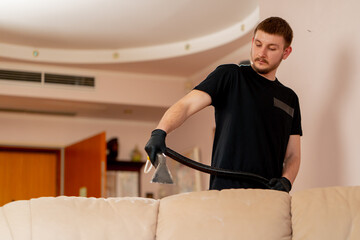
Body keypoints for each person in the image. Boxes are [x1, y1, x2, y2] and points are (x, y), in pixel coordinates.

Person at [145, 17, 302, 193]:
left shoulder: (289, 99)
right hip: (225, 195)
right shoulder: (230, 76)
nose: (262, 53)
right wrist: (160, 131)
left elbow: (293, 155)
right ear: (252, 42)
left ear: (286, 52)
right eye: (258, 44)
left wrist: (286, 180)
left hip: (268, 198)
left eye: (271, 48)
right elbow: (187, 105)